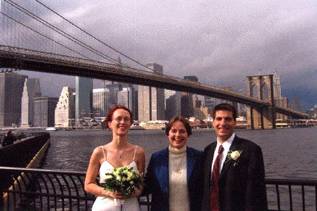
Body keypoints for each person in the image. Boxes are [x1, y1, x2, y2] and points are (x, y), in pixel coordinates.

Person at [201, 103, 267, 211]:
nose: (222, 123)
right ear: (213, 122)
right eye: (219, 119)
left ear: (234, 122)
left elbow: (257, 193)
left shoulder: (250, 150)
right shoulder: (208, 150)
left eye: (227, 119)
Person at [84, 105, 145, 211]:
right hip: (104, 207)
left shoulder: (139, 152)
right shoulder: (99, 152)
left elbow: (140, 186)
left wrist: (130, 193)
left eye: (126, 119)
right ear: (110, 124)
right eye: (118, 119)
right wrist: (108, 192)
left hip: (130, 207)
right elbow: (88, 185)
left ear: (130, 124)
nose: (122, 122)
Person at [144, 116, 202, 211]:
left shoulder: (199, 157)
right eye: (173, 131)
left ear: (188, 134)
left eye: (182, 131)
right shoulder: (157, 158)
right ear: (168, 134)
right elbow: (148, 185)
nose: (178, 135)